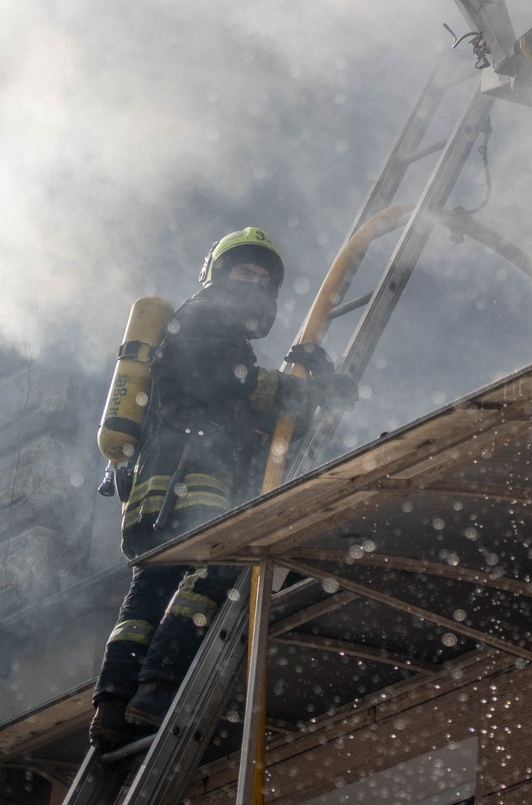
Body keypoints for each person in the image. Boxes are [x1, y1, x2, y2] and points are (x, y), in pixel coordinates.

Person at [89, 227, 349, 747]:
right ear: (218, 276)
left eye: (261, 277)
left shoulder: (201, 327)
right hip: (190, 475)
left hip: (157, 488)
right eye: (243, 272)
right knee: (217, 568)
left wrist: (315, 395)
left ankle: (113, 706)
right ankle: (159, 689)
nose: (252, 283)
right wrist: (297, 389)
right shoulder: (206, 317)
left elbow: (258, 423)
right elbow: (225, 380)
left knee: (150, 593)